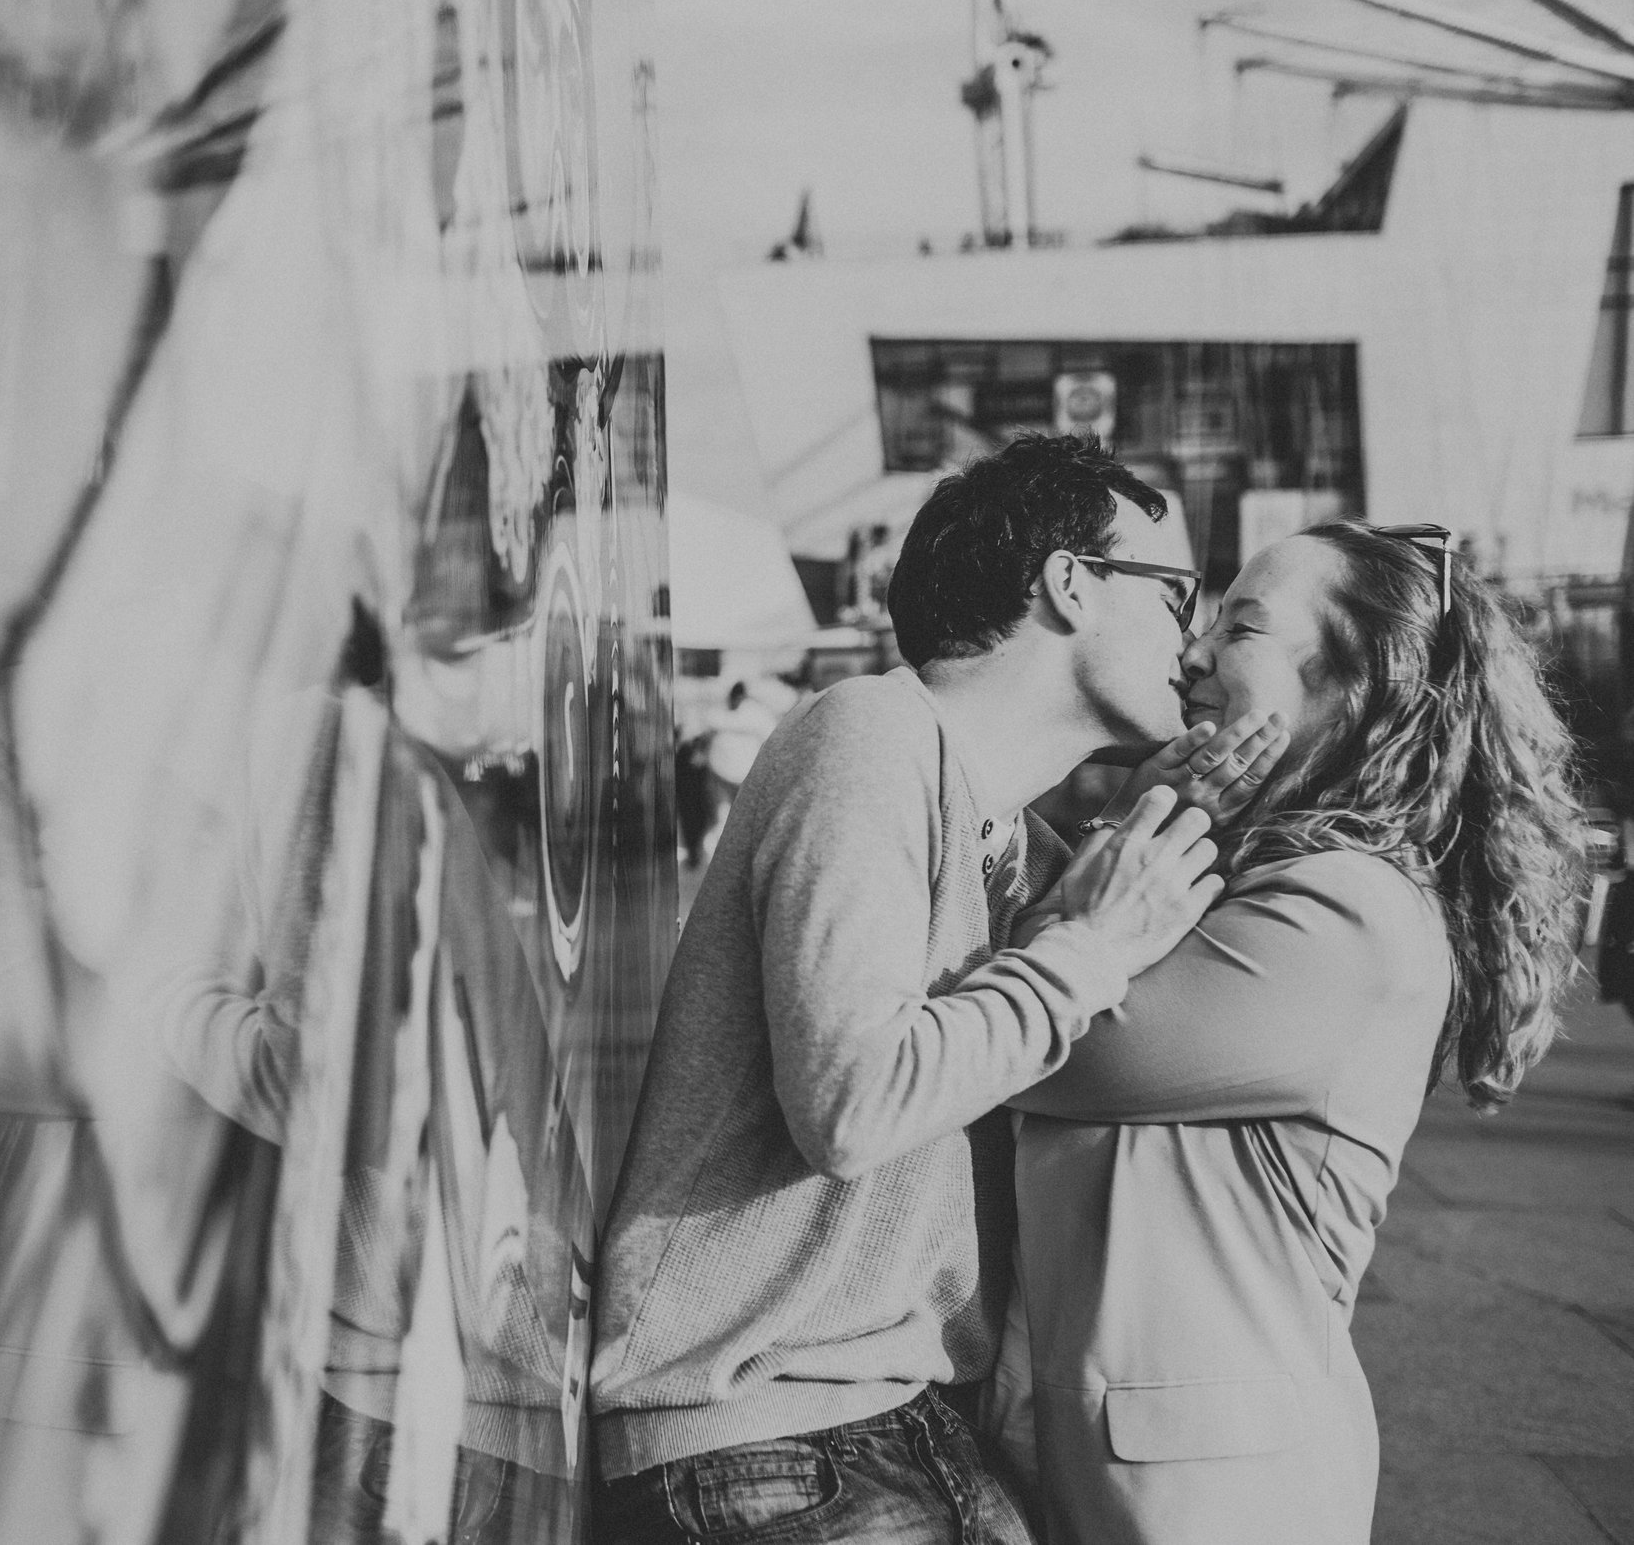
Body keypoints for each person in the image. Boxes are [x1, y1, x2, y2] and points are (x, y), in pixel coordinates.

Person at [589, 436, 1223, 1545]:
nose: (1198, 635)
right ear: (1072, 582)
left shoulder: (1012, 843)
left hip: (900, 1419)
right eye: (1178, 594)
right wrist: (1088, 943)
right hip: (758, 1433)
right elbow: (852, 1102)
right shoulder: (869, 735)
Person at [993, 521, 1586, 1545]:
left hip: (1207, 1493)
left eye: (1242, 626)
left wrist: (1142, 816)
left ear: (1360, 680)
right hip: (1126, 1463)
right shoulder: (1263, 875)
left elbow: (1040, 1046)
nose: (1194, 652)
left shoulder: (1347, 910)